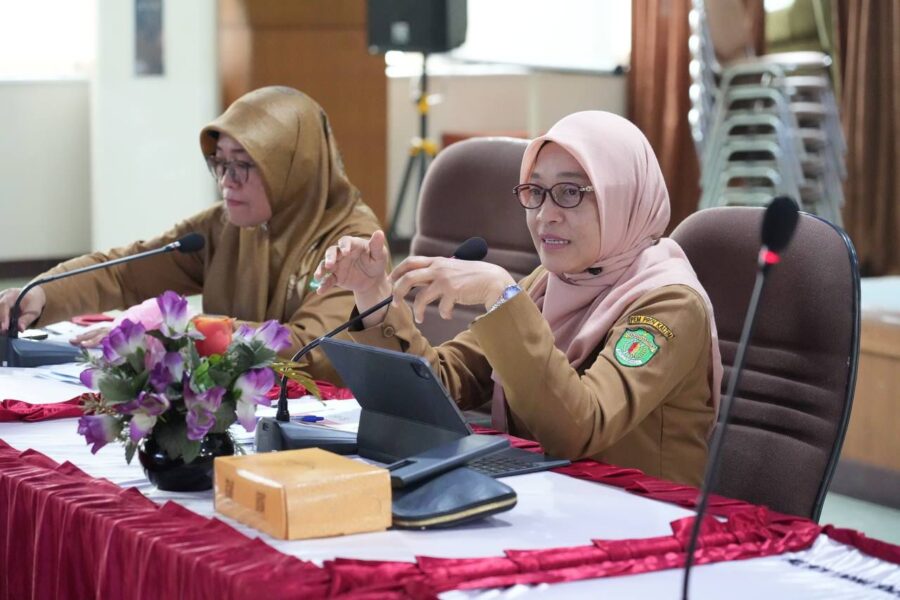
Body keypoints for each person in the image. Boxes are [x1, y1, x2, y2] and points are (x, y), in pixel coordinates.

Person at [314, 111, 723, 486]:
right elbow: (441, 386)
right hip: (548, 498)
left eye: (570, 192)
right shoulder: (550, 283)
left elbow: (581, 428)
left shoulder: (670, 304)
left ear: (623, 197)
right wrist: (373, 292)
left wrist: (500, 293)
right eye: (535, 191)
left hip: (644, 517)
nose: (546, 214)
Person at [0, 86, 382, 381]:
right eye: (220, 163)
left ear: (295, 169)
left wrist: (182, 330)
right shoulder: (224, 226)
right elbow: (126, 271)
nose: (226, 181)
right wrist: (42, 293)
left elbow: (310, 351)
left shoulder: (353, 243)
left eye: (243, 165)